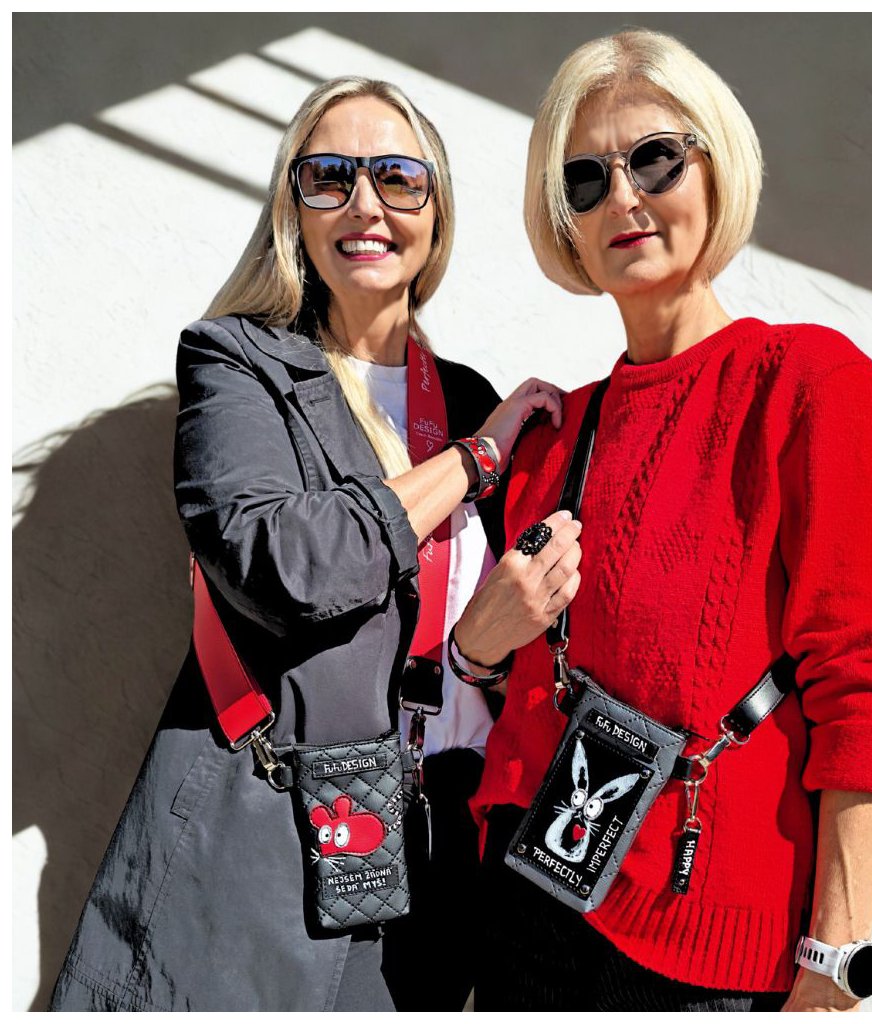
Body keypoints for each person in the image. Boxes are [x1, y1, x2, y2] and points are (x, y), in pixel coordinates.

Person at [49, 76, 571, 1012]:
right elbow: (285, 563)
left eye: (397, 177)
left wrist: (481, 652)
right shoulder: (236, 362)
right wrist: (471, 462)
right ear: (295, 209)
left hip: (431, 850)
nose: (365, 204)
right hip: (264, 837)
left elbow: (499, 651)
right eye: (329, 176)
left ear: (436, 211)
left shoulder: (465, 394)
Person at [453, 29, 872, 1012]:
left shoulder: (807, 386)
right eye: (585, 180)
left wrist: (833, 961)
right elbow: (521, 690)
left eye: (654, 158)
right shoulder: (549, 441)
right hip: (525, 915)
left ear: (715, 165)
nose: (622, 197)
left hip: (699, 955)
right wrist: (475, 651)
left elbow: (857, 683)